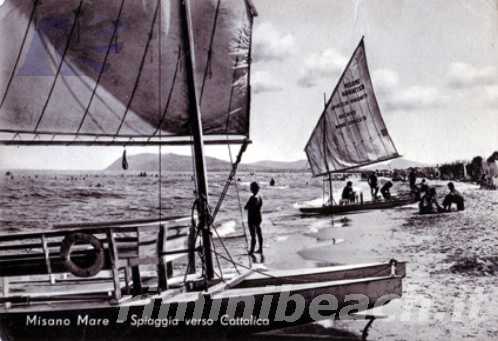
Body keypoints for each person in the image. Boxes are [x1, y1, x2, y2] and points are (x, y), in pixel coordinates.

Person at [244, 182, 263, 254]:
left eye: (251, 187)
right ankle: (260, 249)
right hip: (258, 217)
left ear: (252, 189)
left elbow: (247, 207)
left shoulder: (252, 198)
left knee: (253, 235)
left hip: (252, 218)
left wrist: (247, 206)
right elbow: (259, 206)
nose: (250, 188)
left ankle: (251, 250)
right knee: (259, 233)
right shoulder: (260, 197)